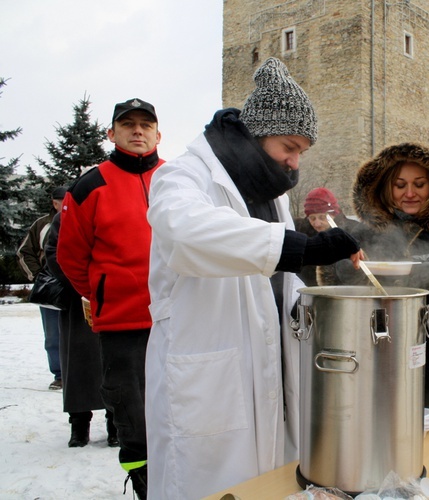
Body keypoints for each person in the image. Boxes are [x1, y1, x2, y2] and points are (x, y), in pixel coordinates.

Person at [144, 57, 362, 499]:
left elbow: (278, 285)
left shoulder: (270, 196)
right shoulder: (185, 176)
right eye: (289, 146)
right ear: (256, 134)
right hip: (207, 371)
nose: (294, 161)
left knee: (266, 484)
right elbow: (186, 232)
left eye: (302, 151)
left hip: (265, 368)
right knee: (210, 486)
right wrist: (300, 248)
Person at [318, 142, 429, 436]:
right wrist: (341, 268)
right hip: (379, 348)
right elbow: (332, 277)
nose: (409, 193)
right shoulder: (365, 230)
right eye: (400, 185)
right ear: (385, 187)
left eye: (419, 184)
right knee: (385, 432)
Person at [57, 98, 163, 499]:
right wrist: (103, 291)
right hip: (122, 325)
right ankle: (144, 486)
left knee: (180, 406)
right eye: (128, 124)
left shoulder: (178, 179)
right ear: (112, 133)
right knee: (132, 417)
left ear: (158, 133)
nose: (138, 131)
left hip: (178, 319)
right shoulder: (89, 186)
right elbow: (71, 256)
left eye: (145, 125)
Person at [45, 209, 117, 448]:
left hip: (113, 296)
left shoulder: (113, 209)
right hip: (77, 300)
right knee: (77, 366)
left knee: (115, 364)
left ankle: (117, 423)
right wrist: (84, 283)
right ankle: (79, 424)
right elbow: (54, 253)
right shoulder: (67, 214)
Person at [17, 186, 66, 390]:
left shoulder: (83, 217)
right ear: (55, 202)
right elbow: (24, 251)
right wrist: (38, 276)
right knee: (53, 334)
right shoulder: (42, 225)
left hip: (78, 284)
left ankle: (84, 373)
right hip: (50, 286)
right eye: (63, 200)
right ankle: (59, 374)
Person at [293, 187, 361, 286]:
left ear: (334, 214)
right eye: (312, 218)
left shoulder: (353, 231)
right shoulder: (302, 234)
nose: (317, 223)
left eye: (322, 217)